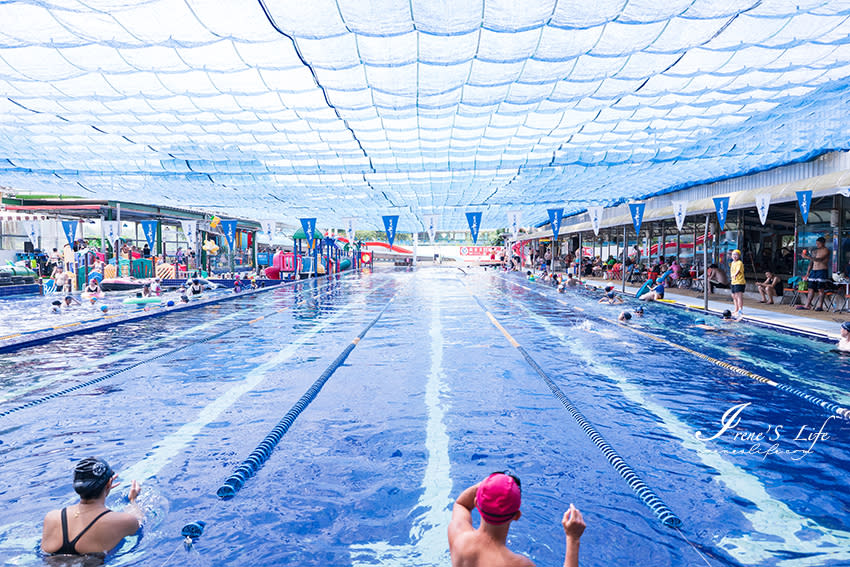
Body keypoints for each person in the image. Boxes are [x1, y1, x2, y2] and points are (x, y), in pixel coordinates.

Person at [448, 472, 585, 567]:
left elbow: (461, 504)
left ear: (477, 503)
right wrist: (573, 538)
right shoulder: (519, 564)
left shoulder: (458, 537)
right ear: (517, 516)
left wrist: (489, 485)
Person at [41, 457, 143, 556]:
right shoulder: (124, 521)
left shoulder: (52, 518)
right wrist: (133, 500)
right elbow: (139, 522)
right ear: (109, 484)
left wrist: (104, 488)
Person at [801, 237, 831, 311]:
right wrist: (808, 272)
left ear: (823, 243)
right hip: (813, 271)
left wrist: (807, 257)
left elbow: (819, 260)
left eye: (819, 244)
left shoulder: (826, 250)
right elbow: (812, 262)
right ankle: (807, 305)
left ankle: (820, 306)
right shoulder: (815, 251)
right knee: (810, 288)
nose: (817, 245)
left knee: (821, 289)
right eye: (816, 243)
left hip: (821, 271)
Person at [729, 249, 746, 319]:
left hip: (739, 281)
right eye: (733, 255)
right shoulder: (732, 263)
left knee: (739, 296)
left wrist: (735, 274)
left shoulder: (739, 263)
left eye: (736, 255)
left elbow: (738, 270)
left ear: (738, 256)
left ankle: (740, 309)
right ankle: (736, 309)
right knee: (733, 296)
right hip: (733, 281)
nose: (734, 256)